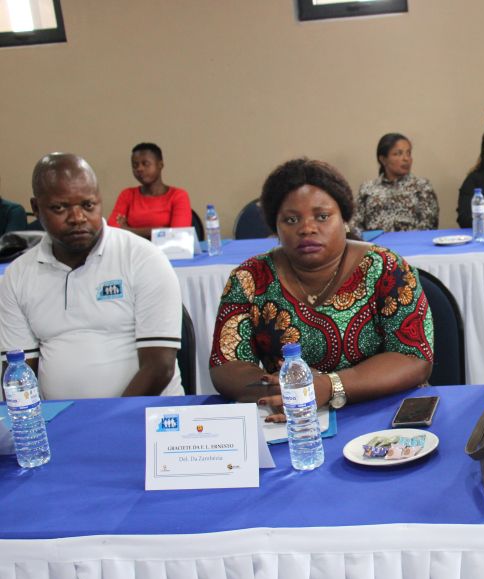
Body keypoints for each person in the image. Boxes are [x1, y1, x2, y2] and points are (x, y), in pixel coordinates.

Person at [209, 158, 433, 416]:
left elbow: (414, 357)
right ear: (275, 228)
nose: (307, 229)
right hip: (293, 419)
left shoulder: (386, 268)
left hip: (383, 411)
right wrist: (288, 392)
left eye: (322, 217)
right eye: (291, 220)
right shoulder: (250, 278)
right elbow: (226, 365)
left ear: (345, 219)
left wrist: (329, 386)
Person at [0, 153, 184, 399]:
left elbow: (160, 368)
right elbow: (19, 374)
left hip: (145, 415)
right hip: (59, 419)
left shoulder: (143, 258)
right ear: (36, 208)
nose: (77, 218)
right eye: (60, 208)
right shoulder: (17, 276)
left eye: (88, 205)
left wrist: (107, 418)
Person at [353, 133, 440, 232]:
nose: (406, 159)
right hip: (374, 242)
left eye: (408, 153)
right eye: (398, 154)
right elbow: (355, 223)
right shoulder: (367, 188)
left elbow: (429, 225)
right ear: (383, 159)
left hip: (412, 241)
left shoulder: (422, 186)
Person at [107, 142, 192, 239]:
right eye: (135, 165)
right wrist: (160, 231)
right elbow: (112, 230)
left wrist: (127, 230)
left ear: (160, 165)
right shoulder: (127, 194)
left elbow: (179, 235)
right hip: (133, 248)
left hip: (167, 249)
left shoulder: (178, 196)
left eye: (145, 164)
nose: (139, 169)